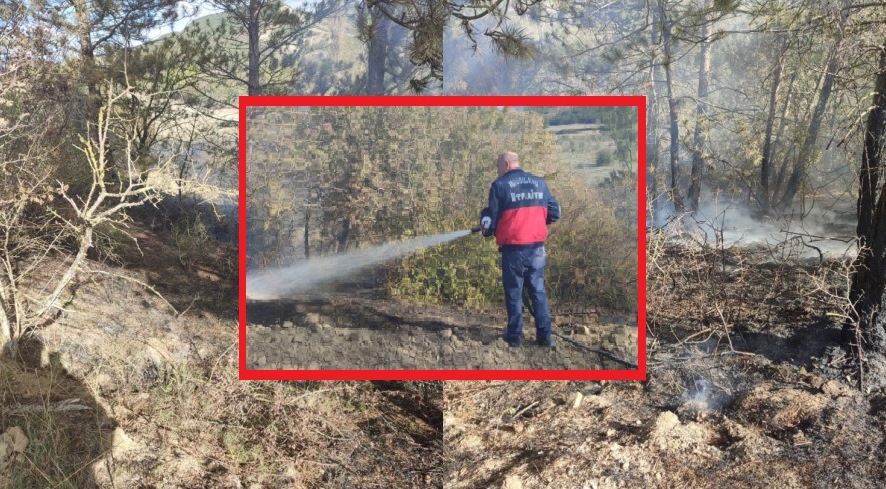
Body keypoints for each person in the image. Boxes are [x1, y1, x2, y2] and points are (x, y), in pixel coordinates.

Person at [479, 151, 560, 348]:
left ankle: (514, 336)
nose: (497, 171)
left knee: (514, 292)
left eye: (498, 166)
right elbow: (555, 213)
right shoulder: (540, 183)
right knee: (538, 291)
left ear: (506, 164)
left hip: (514, 250)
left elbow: (491, 222)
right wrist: (537, 223)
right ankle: (545, 336)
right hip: (537, 250)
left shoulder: (499, 186)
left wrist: (486, 224)